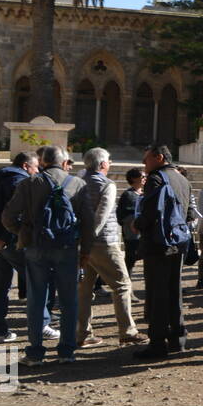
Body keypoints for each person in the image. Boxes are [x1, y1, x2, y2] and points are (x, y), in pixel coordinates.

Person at [1, 145, 86, 364]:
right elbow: (88, 221)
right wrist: (84, 249)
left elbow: (8, 216)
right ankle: (67, 351)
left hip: (37, 247)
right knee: (69, 300)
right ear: (64, 161)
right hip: (67, 248)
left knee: (37, 299)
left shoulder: (29, 183)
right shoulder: (77, 183)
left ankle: (35, 351)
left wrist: (23, 232)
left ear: (42, 161)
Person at [76, 148, 147, 347]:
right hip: (103, 243)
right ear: (103, 164)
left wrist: (81, 244)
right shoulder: (107, 185)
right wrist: (88, 243)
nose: (110, 163)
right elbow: (101, 216)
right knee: (122, 285)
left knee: (83, 290)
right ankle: (127, 330)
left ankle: (81, 333)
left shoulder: (76, 183)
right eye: (109, 160)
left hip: (81, 242)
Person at [133, 145, 195, 359]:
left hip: (158, 243)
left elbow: (150, 210)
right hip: (178, 241)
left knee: (157, 293)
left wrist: (138, 224)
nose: (144, 164)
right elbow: (188, 213)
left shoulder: (156, 178)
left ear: (159, 158)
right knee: (174, 290)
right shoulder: (182, 179)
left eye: (146, 159)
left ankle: (157, 344)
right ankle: (178, 339)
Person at [0, 151, 38, 342]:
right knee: (35, 280)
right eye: (35, 167)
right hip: (9, 240)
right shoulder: (19, 181)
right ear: (25, 166)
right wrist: (5, 237)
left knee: (1, 284)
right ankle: (41, 325)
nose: (36, 171)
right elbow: (14, 214)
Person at [117, 168, 144, 276]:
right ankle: (125, 280)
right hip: (131, 233)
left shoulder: (145, 193)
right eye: (142, 177)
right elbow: (121, 215)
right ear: (134, 178)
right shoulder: (128, 195)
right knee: (130, 259)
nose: (145, 179)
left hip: (143, 232)